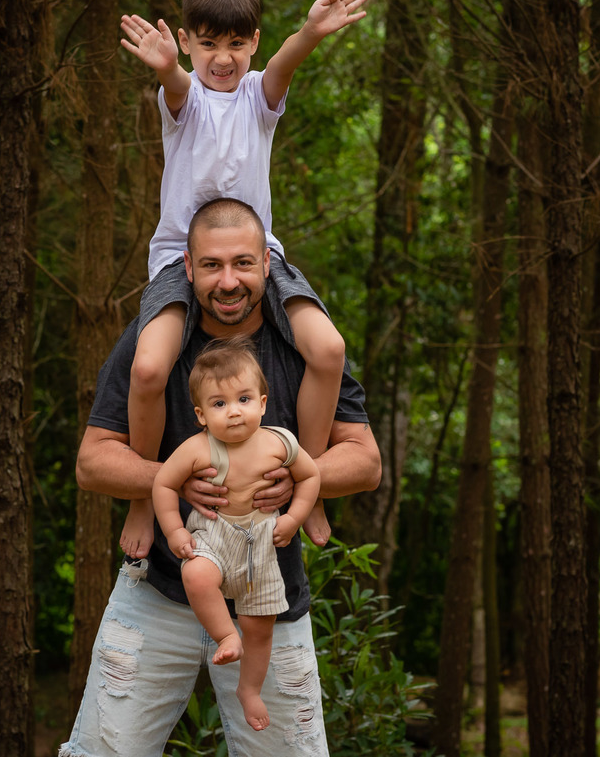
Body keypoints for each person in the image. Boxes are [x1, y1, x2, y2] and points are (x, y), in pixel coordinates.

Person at [60, 198, 381, 757]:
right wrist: (171, 479)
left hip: (269, 595)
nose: (228, 281)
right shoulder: (157, 340)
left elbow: (365, 460)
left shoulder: (300, 347)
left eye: (242, 264)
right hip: (160, 588)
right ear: (187, 267)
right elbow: (91, 461)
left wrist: (301, 480)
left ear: (267, 265)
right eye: (211, 266)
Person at [116, 0, 369, 560]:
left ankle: (311, 483)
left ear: (253, 42)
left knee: (328, 351)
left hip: (260, 257)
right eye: (207, 44)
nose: (222, 58)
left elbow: (283, 66)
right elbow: (177, 84)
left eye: (235, 44)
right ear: (186, 42)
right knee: (150, 368)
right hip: (184, 259)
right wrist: (163, 67)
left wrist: (309, 31)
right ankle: (139, 493)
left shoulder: (260, 96)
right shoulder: (183, 101)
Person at [153, 336, 321, 731]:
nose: (233, 412)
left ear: (262, 403)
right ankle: (226, 636)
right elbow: (162, 483)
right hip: (214, 533)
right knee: (195, 573)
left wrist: (294, 517)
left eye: (244, 400)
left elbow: (311, 476)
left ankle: (249, 690)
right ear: (200, 415)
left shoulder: (280, 442)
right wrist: (175, 530)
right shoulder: (197, 448)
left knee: (261, 629)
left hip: (261, 543)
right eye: (219, 404)